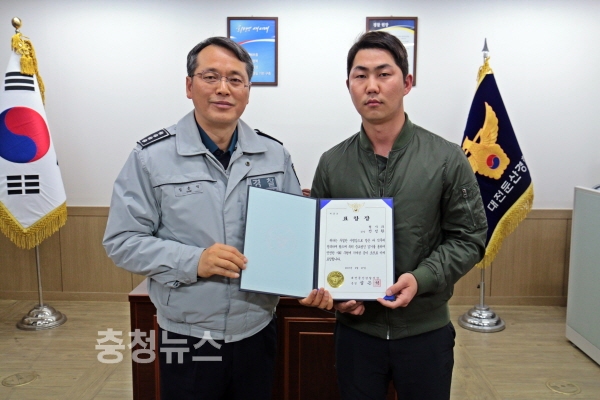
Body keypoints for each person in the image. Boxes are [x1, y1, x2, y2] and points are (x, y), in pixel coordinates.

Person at [103, 37, 304, 400]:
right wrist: (194, 261)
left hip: (257, 328)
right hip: (188, 334)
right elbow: (122, 242)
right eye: (210, 77)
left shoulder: (274, 155)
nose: (223, 88)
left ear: (247, 91)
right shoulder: (151, 157)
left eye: (235, 79)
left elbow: (295, 235)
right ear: (189, 85)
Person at [306, 31, 488, 400]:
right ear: (349, 85)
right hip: (357, 332)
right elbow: (318, 245)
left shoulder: (446, 158)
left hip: (425, 330)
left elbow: (469, 238)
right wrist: (336, 296)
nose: (371, 86)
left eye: (383, 74)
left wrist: (421, 278)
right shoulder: (332, 163)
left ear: (406, 83)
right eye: (360, 75)